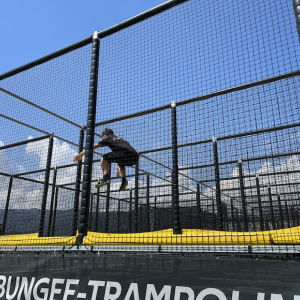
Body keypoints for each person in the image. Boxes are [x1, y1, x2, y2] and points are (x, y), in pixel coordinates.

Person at [73, 128, 139, 191]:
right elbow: (119, 154)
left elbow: (94, 146)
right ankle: (124, 180)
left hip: (125, 154)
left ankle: (106, 178)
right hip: (135, 157)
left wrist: (81, 154)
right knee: (120, 162)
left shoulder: (108, 138)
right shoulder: (120, 139)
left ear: (104, 136)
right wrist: (117, 167)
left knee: (104, 158)